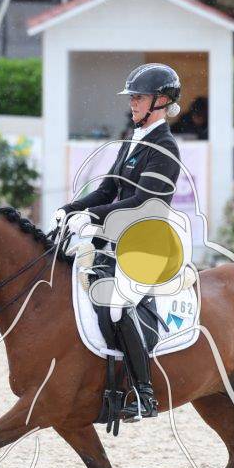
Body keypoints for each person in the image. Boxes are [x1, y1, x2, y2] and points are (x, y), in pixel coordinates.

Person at [56, 64, 184, 422]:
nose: (133, 103)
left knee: (115, 303)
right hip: (116, 239)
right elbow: (107, 190)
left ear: (161, 101)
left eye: (139, 97)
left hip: (147, 243)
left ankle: (144, 394)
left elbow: (144, 202)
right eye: (132, 98)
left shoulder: (165, 148)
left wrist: (92, 217)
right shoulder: (133, 142)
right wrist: (70, 209)